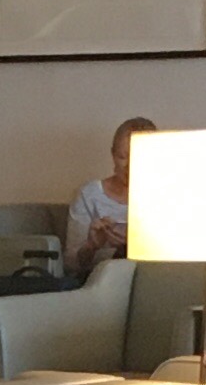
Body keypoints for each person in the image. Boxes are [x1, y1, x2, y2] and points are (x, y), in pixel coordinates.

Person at [61, 119, 149, 280]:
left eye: (138, 157)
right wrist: (92, 245)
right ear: (112, 154)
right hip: (100, 282)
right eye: (123, 157)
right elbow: (70, 266)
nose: (130, 166)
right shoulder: (90, 195)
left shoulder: (169, 197)